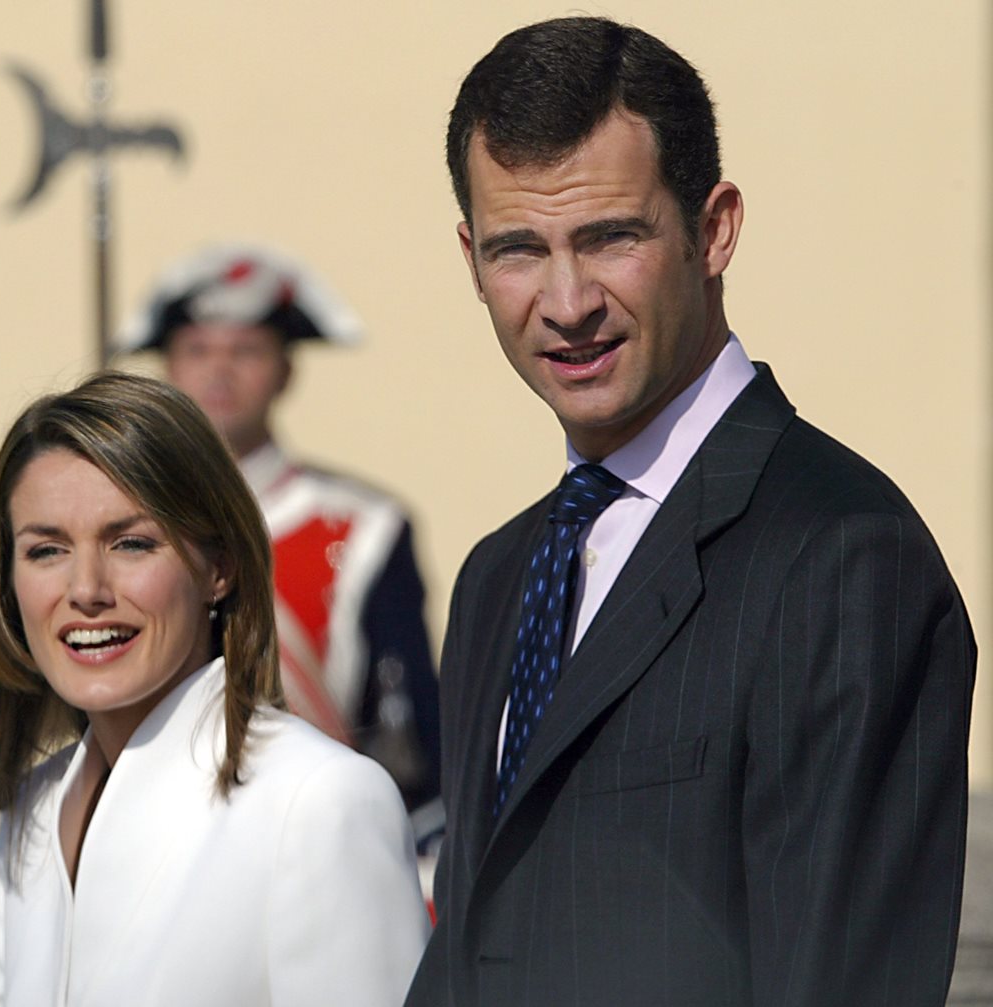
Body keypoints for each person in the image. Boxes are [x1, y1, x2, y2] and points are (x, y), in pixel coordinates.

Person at [405, 16, 976, 1007]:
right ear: (469, 256)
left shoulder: (843, 557)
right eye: (518, 250)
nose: (566, 299)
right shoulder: (500, 574)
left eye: (610, 237)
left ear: (713, 229)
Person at [0, 372, 429, 1005]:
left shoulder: (319, 801)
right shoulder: (36, 806)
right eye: (47, 550)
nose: (86, 590)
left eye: (131, 543)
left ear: (220, 567)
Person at [117, 244, 442, 828]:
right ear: (169, 368)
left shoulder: (365, 527)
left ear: (287, 370)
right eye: (197, 350)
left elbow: (406, 732)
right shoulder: (119, 522)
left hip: (316, 824)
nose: (219, 370)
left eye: (246, 351)